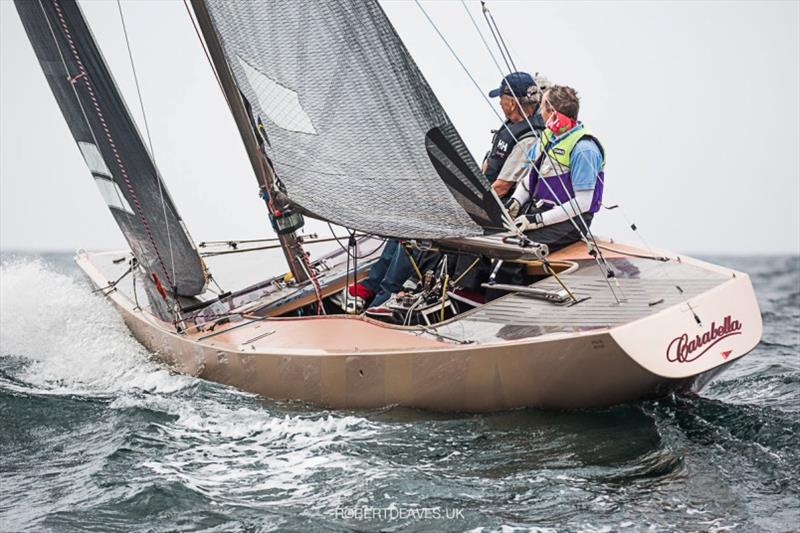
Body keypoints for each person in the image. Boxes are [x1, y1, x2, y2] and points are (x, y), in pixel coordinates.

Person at [507, 85, 605, 252]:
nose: (540, 112)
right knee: (493, 234)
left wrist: (538, 219)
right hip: (539, 209)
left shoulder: (584, 149)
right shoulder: (548, 136)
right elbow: (532, 177)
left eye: (543, 107)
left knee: (516, 249)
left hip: (570, 222)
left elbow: (583, 203)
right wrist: (516, 201)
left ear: (551, 113)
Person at [483, 72, 548, 200]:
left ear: (512, 104)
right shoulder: (515, 121)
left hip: (500, 206)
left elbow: (502, 187)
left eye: (501, 98)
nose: (500, 103)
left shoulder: (530, 139)